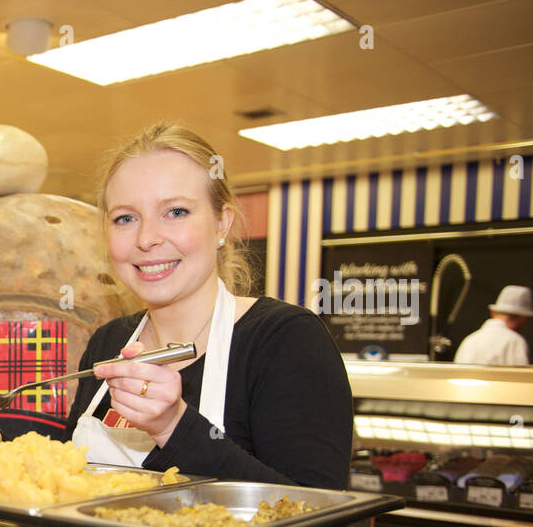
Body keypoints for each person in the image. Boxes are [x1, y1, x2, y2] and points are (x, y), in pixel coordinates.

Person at [64, 123, 352, 489]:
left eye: (176, 212)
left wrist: (174, 427)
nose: (147, 238)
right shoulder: (108, 343)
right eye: (125, 218)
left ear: (221, 224)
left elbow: (315, 518)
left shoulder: (285, 340)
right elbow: (69, 480)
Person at [453, 285, 533, 365]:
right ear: (523, 318)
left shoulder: (470, 340)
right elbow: (520, 377)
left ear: (493, 313)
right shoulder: (514, 341)